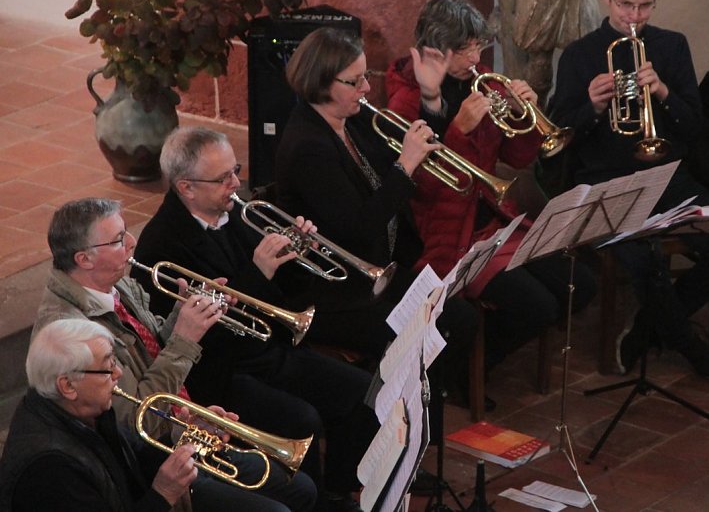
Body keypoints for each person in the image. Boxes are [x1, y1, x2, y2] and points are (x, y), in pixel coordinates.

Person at [132, 126, 378, 512]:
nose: (236, 184)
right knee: (302, 419)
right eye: (223, 178)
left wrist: (297, 254)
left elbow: (287, 295)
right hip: (221, 372)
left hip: (268, 349)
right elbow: (208, 337)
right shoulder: (161, 246)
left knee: (364, 393)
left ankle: (337, 491)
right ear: (186, 188)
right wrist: (258, 271)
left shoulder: (234, 213)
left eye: (236, 170)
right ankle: (309, 504)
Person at [33, 198, 316, 512]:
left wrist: (180, 314)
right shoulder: (70, 332)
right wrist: (185, 339)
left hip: (180, 427)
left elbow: (152, 348)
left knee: (301, 489)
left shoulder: (115, 283)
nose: (132, 243)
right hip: (151, 462)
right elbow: (137, 420)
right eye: (118, 239)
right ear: (84, 259)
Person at [549, 0, 709, 380]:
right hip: (605, 184)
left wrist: (663, 93)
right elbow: (558, 138)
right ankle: (687, 344)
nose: (633, 16)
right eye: (625, 4)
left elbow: (694, 128)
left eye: (644, 5)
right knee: (644, 263)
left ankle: (645, 330)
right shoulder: (579, 55)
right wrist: (592, 107)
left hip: (666, 178)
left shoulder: (671, 47)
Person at [385, 0, 596, 374]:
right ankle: (466, 371)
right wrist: (458, 130)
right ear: (436, 50)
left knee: (579, 284)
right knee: (539, 306)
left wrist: (524, 116)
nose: (475, 58)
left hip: (493, 220)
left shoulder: (481, 80)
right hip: (447, 232)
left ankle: (478, 358)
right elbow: (423, 187)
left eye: (479, 46)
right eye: (465, 50)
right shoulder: (406, 100)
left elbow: (516, 158)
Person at [273, 26, 479, 407]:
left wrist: (428, 108)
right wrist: (405, 166)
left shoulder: (351, 121)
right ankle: (400, 414)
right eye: (355, 81)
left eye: (365, 76)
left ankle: (420, 405)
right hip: (338, 292)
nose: (367, 88)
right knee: (425, 336)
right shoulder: (307, 147)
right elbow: (358, 228)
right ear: (321, 82)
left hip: (381, 272)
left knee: (461, 317)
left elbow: (401, 158)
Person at [0, 318, 198, 511]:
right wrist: (162, 494)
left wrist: (179, 439)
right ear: (68, 386)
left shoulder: (86, 410)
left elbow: (135, 466)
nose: (118, 373)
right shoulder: (49, 469)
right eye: (107, 367)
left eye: (114, 361)